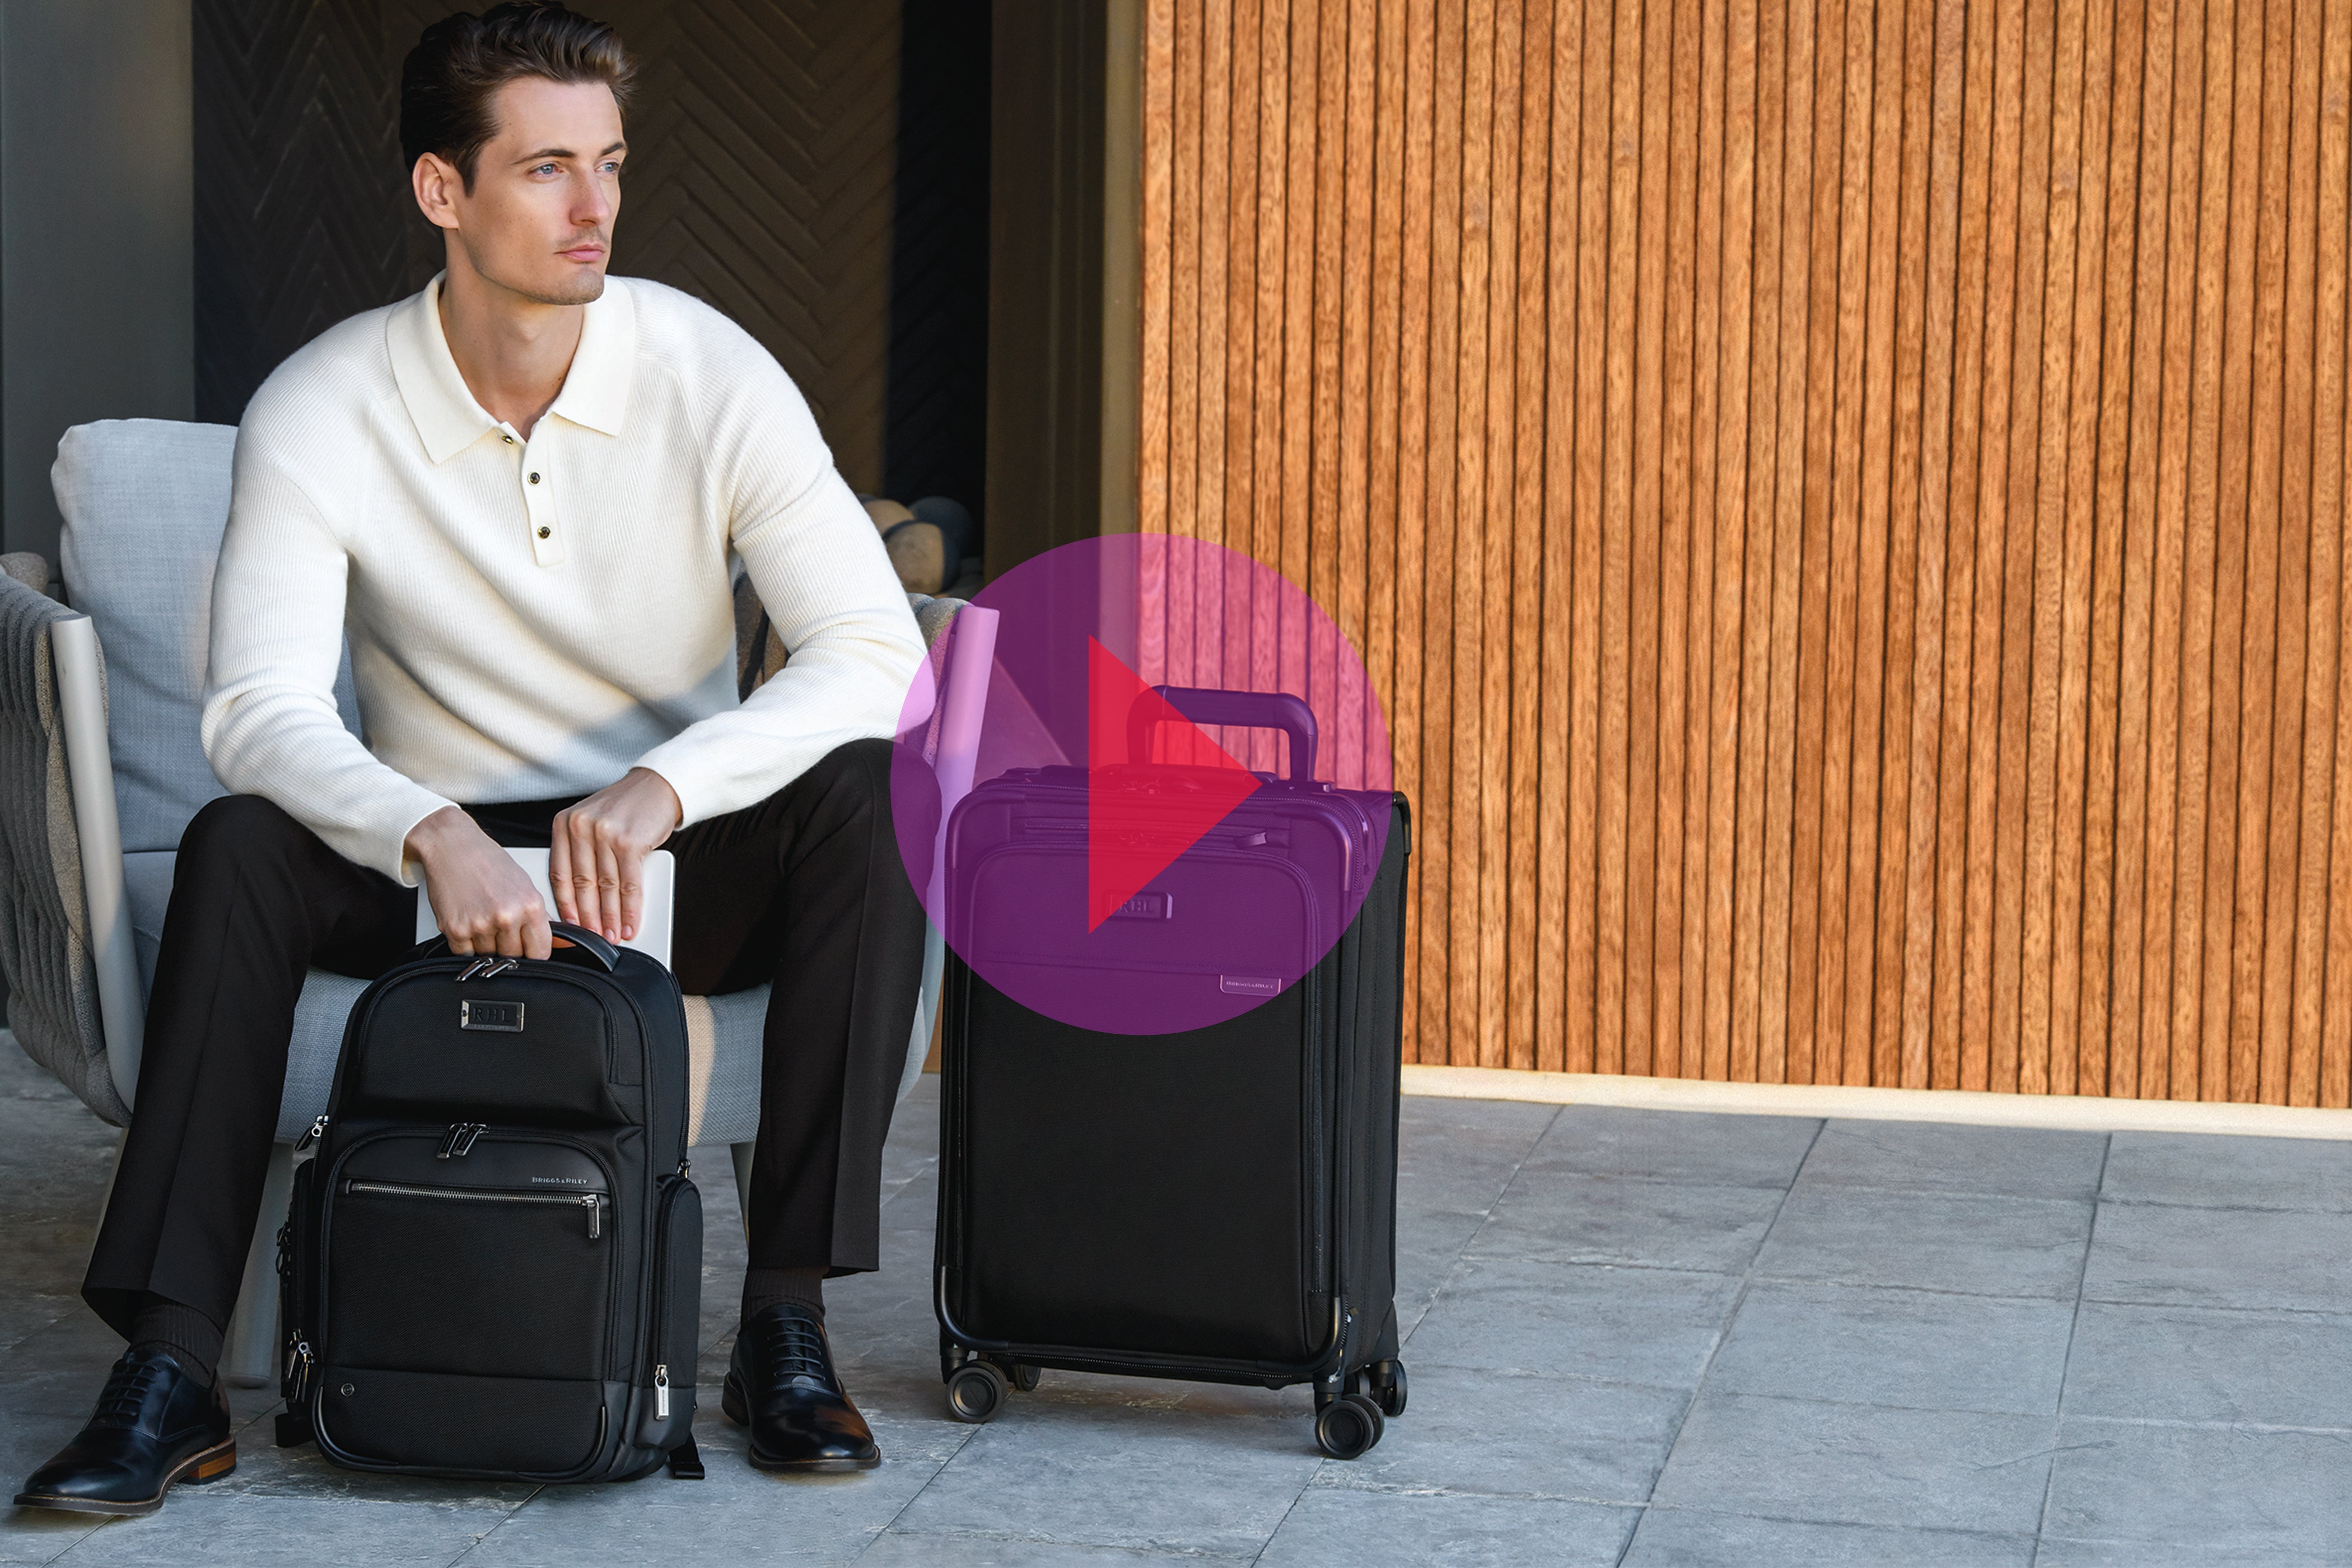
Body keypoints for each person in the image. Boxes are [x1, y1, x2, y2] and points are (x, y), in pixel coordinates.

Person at [15, 2, 932, 1515]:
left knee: (871, 793)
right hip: (435, 870)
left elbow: (876, 652)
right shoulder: (326, 402)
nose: (594, 208)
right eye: (547, 169)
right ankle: (171, 1372)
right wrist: (423, 828)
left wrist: (670, 787)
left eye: (610, 164)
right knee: (241, 842)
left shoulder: (708, 371)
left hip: (663, 866)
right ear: (442, 190)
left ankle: (786, 1324)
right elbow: (255, 708)